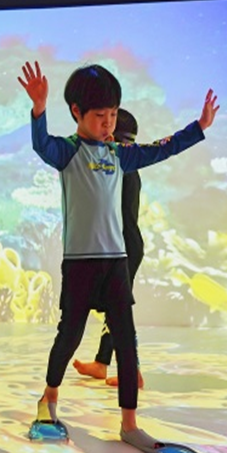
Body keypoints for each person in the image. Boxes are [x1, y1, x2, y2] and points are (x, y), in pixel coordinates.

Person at [17, 61, 217, 448]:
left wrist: (199, 127)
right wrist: (39, 109)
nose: (108, 122)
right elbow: (42, 145)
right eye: (100, 115)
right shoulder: (68, 152)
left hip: (116, 263)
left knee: (126, 342)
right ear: (76, 111)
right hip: (80, 264)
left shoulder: (118, 154)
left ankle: (129, 423)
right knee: (69, 337)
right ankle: (50, 396)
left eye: (112, 114)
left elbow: (161, 149)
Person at [73, 108, 145, 389]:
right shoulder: (126, 165)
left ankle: (133, 372)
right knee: (115, 309)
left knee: (119, 310)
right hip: (125, 244)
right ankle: (102, 362)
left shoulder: (118, 167)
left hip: (123, 247)